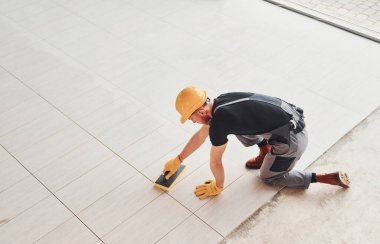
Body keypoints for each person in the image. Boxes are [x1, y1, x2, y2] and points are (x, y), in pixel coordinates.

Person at [162, 86, 350, 200]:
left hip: (292, 141)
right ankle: (265, 152)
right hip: (289, 122)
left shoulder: (220, 122)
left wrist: (218, 186)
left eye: (190, 117)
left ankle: (322, 177)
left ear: (201, 112)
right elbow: (201, 135)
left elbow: (215, 162)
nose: (192, 121)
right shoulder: (221, 103)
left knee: (268, 177)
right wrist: (178, 159)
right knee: (239, 128)